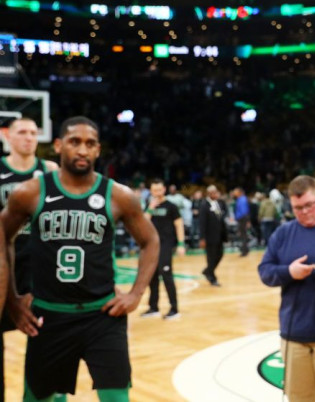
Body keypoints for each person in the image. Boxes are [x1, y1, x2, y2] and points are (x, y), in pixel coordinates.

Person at [0, 116, 159, 401]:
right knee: (37, 397)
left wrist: (136, 294)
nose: (83, 150)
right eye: (75, 142)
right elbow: (3, 237)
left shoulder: (119, 195)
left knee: (116, 397)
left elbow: (150, 240)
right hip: (48, 316)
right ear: (59, 146)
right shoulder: (30, 193)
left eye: (90, 144)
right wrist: (12, 300)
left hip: (103, 316)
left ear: (98, 150)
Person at [258, 176, 315, 402]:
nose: (304, 212)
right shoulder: (283, 233)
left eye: (309, 205)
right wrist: (289, 272)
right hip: (294, 335)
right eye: (298, 208)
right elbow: (265, 271)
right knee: (299, 398)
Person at [0, 117, 59, 400]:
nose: (28, 137)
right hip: (3, 262)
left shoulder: (49, 171)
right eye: (22, 132)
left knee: (45, 339)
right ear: (8, 137)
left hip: (39, 265)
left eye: (34, 133)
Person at [140, 179, 185, 320]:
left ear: (164, 190)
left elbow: (179, 225)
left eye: (159, 190)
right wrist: (150, 209)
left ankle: (174, 309)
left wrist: (181, 244)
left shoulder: (171, 206)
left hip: (165, 245)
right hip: (151, 246)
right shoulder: (149, 205)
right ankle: (154, 308)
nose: (157, 193)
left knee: (166, 276)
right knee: (152, 277)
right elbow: (143, 223)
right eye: (154, 190)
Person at [200, 185, 227, 286]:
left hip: (219, 236)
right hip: (209, 237)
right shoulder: (204, 205)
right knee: (211, 258)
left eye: (216, 192)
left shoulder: (219, 203)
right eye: (213, 192)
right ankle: (212, 278)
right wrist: (202, 238)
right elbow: (202, 223)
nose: (215, 194)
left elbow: (221, 218)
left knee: (220, 254)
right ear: (209, 194)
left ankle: (207, 270)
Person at [231, 187, 250, 256]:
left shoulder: (242, 199)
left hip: (242, 219)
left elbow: (244, 211)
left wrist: (243, 219)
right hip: (242, 219)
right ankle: (245, 249)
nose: (234, 193)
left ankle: (244, 250)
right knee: (243, 235)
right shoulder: (240, 199)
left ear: (239, 192)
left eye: (235, 192)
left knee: (243, 235)